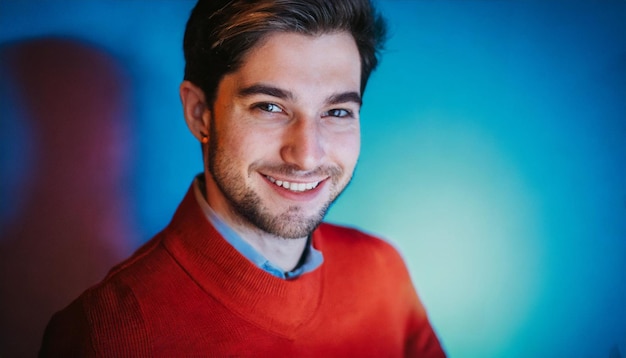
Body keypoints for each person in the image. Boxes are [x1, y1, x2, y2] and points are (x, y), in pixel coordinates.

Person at [40, 0, 446, 356]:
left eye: (337, 112)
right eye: (269, 107)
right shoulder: (106, 334)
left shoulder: (382, 272)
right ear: (200, 112)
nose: (306, 154)